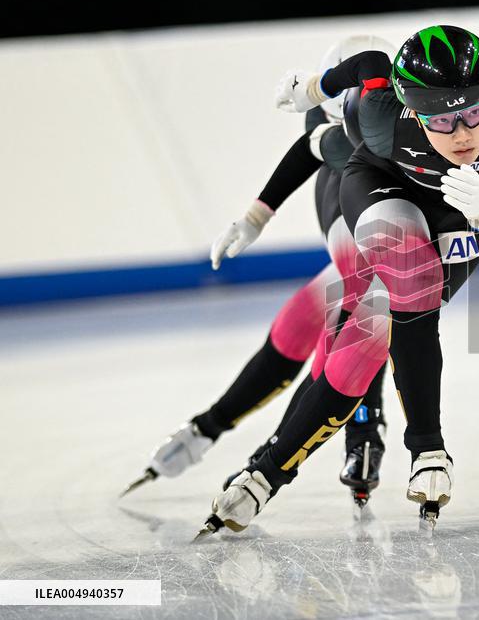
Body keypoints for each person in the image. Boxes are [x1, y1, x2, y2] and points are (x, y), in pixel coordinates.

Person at [199, 25, 479, 535]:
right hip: (380, 185)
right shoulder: (377, 115)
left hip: (458, 214)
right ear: (410, 109)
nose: (462, 134)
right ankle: (424, 448)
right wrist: (314, 92)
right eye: (443, 120)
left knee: (375, 331)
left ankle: (265, 472)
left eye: (475, 112)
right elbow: (358, 76)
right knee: (400, 287)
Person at [122, 36, 398, 510]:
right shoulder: (334, 130)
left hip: (376, 246)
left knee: (341, 333)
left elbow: (311, 148)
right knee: (311, 326)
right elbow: (305, 152)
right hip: (368, 240)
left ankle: (250, 451)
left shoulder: (367, 124)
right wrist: (255, 216)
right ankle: (217, 431)